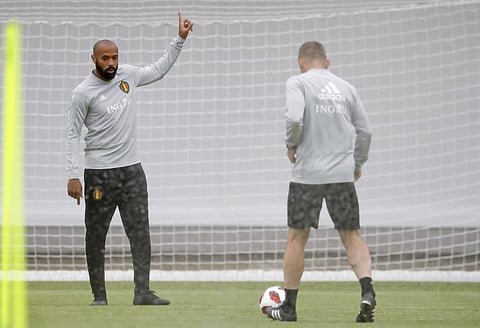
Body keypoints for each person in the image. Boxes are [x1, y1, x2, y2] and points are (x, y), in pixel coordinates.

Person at [65, 12, 193, 306]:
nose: (111, 63)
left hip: (132, 172)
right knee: (96, 236)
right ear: (94, 59)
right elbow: (72, 134)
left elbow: (158, 70)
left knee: (140, 233)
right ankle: (99, 296)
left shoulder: (128, 76)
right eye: (105, 58)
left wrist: (180, 39)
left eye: (114, 58)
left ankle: (142, 292)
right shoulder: (82, 93)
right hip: (99, 174)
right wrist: (73, 174)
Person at [266, 41, 375, 322]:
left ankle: (288, 307)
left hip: (307, 176)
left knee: (297, 238)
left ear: (300, 62)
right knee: (352, 236)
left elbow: (293, 117)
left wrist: (291, 144)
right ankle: (367, 292)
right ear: (327, 63)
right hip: (341, 175)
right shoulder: (346, 88)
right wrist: (357, 163)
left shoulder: (298, 83)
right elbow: (365, 130)